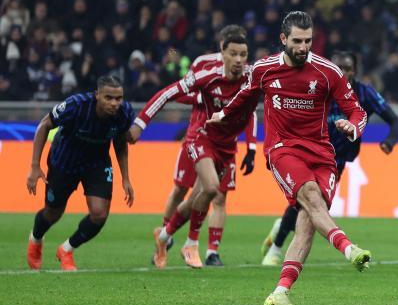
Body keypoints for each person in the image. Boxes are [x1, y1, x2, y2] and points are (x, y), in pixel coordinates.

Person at [208, 11, 371, 305]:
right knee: (310, 195)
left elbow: (357, 111)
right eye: (297, 41)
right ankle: (348, 248)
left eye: (308, 41)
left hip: (322, 154)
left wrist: (353, 127)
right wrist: (223, 114)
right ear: (283, 39)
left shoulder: (328, 72)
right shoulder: (264, 69)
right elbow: (245, 97)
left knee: (307, 223)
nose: (303, 47)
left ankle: (281, 292)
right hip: (283, 149)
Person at [261, 50, 398, 266]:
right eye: (339, 67)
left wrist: (390, 141)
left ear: (354, 71)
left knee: (312, 207)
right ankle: (275, 250)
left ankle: (279, 231)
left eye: (347, 68)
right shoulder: (318, 84)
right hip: (308, 152)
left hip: (337, 161)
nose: (342, 72)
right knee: (307, 202)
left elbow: (395, 121)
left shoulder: (364, 93)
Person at [129, 34, 256, 269]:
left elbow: (254, 111)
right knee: (210, 188)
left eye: (243, 55)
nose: (238, 60)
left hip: (226, 146)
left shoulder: (253, 78)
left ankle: (164, 236)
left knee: (196, 199)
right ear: (223, 54)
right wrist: (140, 123)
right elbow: (168, 93)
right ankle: (191, 243)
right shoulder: (207, 75)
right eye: (233, 54)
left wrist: (252, 147)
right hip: (202, 136)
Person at [26, 76, 136, 271]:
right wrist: (35, 166)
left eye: (118, 98)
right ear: (97, 95)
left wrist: (125, 177)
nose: (114, 103)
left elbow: (120, 142)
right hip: (64, 162)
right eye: (109, 97)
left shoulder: (125, 112)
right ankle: (36, 239)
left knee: (99, 214)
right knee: (52, 213)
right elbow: (44, 125)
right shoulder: (76, 105)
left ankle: (66, 249)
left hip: (97, 163)